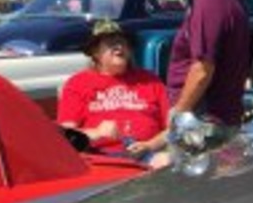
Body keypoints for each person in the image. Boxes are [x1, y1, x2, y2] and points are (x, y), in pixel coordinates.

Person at [164, 0, 250, 137]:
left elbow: (202, 68)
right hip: (220, 120)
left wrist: (180, 112)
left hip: (204, 122)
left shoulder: (207, 4)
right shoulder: (229, 2)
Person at [57, 20, 171, 164]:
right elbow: (65, 136)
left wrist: (149, 145)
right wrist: (96, 133)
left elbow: (172, 129)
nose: (118, 47)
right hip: (99, 159)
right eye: (111, 43)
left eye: (122, 42)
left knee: (167, 161)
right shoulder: (78, 83)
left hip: (148, 156)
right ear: (95, 52)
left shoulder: (150, 81)